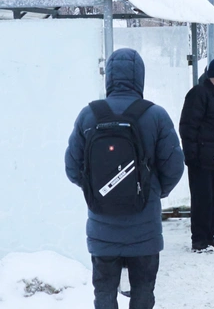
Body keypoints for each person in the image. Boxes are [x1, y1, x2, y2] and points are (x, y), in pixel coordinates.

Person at [65, 48, 185, 309]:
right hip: (145, 227)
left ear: (108, 77)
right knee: (143, 291)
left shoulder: (89, 115)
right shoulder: (155, 115)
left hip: (102, 225)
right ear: (140, 77)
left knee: (105, 293)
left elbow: (72, 167)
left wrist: (96, 190)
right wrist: (154, 191)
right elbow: (175, 165)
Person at [179, 56, 214, 252]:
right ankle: (199, 239)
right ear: (211, 76)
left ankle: (210, 234)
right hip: (201, 159)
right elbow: (188, 126)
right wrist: (191, 156)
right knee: (202, 200)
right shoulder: (199, 94)